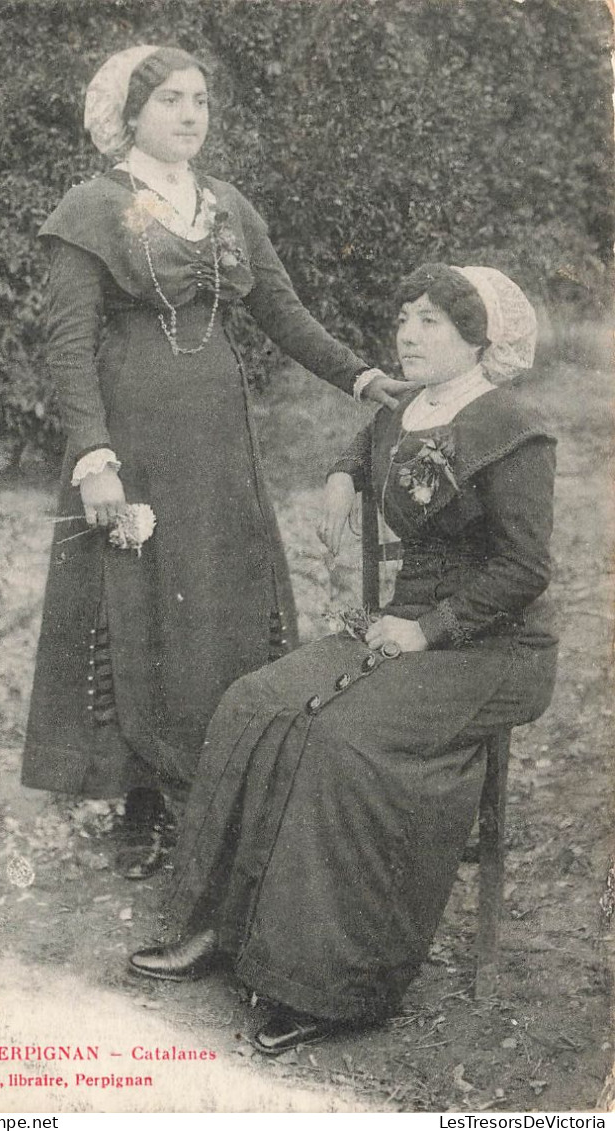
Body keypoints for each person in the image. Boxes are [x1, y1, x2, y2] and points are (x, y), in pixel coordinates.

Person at [127, 263, 559, 1053]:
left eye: (431, 320)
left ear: (479, 339)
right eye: (405, 315)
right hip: (399, 622)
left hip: (492, 648)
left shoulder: (512, 427)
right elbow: (367, 444)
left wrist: (428, 631)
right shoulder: (409, 404)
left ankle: (328, 982)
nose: (407, 332)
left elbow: (525, 570)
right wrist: (337, 476)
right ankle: (220, 926)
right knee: (256, 701)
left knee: (341, 740)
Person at [21, 45, 399, 878]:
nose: (191, 116)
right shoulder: (92, 206)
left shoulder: (225, 206)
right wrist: (95, 458)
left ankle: (222, 786)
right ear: (131, 114)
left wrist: (360, 374)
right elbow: (68, 346)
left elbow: (282, 310)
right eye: (172, 102)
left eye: (200, 102)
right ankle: (142, 802)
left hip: (219, 443)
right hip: (135, 440)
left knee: (219, 607)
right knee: (141, 607)